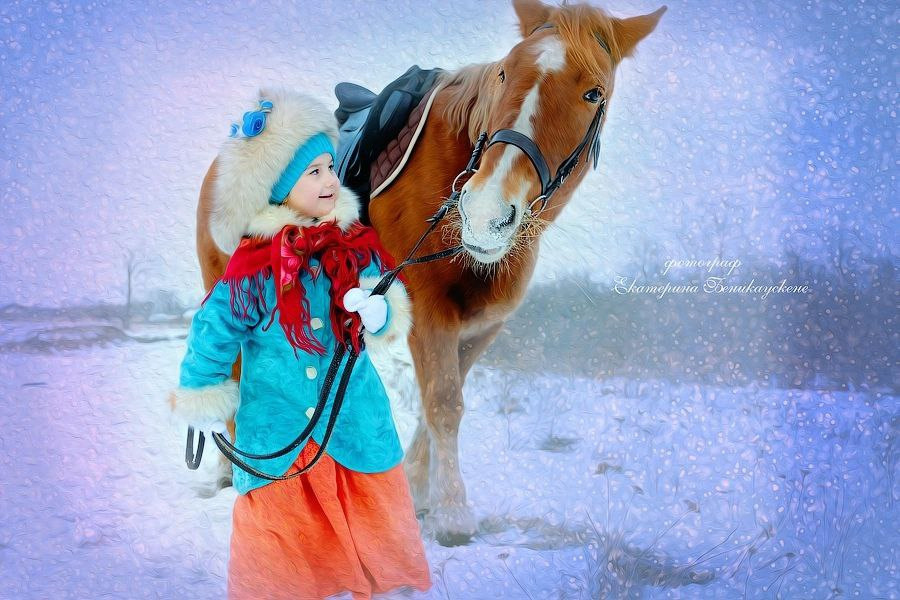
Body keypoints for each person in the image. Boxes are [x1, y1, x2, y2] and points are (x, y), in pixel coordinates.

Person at [168, 87, 431, 600]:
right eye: (314, 173)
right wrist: (201, 389)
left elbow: (384, 291)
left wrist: (381, 311)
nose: (332, 181)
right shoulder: (253, 268)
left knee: (371, 523)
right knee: (282, 545)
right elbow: (214, 330)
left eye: (331, 167)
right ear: (278, 186)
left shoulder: (355, 247)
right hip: (277, 428)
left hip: (353, 419)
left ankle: (378, 585)